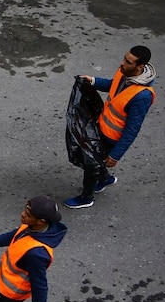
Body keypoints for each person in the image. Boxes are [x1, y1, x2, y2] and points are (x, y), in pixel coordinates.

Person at [64, 46, 156, 209]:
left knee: (91, 164)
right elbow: (113, 86)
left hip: (112, 138)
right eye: (124, 58)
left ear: (140, 67)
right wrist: (93, 81)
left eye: (128, 62)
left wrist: (115, 155)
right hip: (101, 127)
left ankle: (86, 198)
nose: (122, 63)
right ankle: (105, 179)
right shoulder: (124, 72)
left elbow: (132, 129)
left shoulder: (142, 96)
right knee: (96, 161)